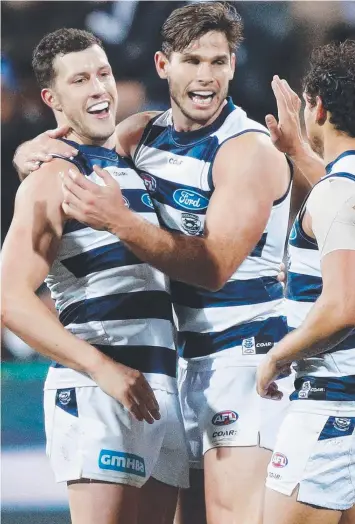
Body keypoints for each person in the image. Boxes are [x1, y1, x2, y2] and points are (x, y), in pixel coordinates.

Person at [14, 4, 293, 523]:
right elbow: (77, 151)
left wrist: (122, 224)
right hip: (173, 369)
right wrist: (30, 153)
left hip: (243, 362)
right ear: (163, 66)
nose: (205, 76)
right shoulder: (137, 137)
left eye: (218, 61)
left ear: (234, 65)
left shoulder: (245, 150)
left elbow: (212, 269)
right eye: (192, 61)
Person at [2, 28, 189, 524]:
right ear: (52, 98)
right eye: (80, 79)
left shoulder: (130, 163)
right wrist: (100, 368)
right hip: (99, 388)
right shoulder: (51, 178)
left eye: (102, 73)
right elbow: (9, 298)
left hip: (159, 386)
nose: (98, 89)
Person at [257, 40, 355, 524]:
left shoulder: (338, 194)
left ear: (316, 106)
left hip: (329, 410)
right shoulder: (343, 187)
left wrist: (278, 355)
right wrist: (297, 147)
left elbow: (343, 305)